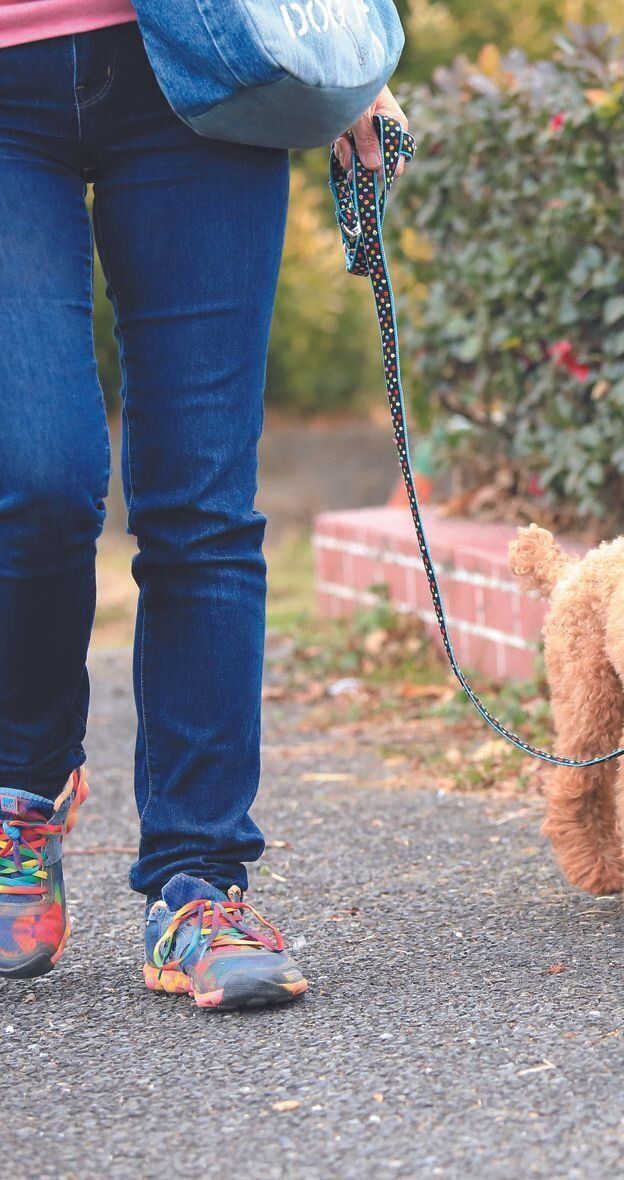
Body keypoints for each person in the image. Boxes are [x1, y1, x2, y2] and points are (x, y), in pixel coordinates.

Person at [0, 2, 408, 1009]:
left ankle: (198, 885)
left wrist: (347, 51)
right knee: (36, 476)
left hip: (203, 61)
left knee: (202, 500)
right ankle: (23, 787)